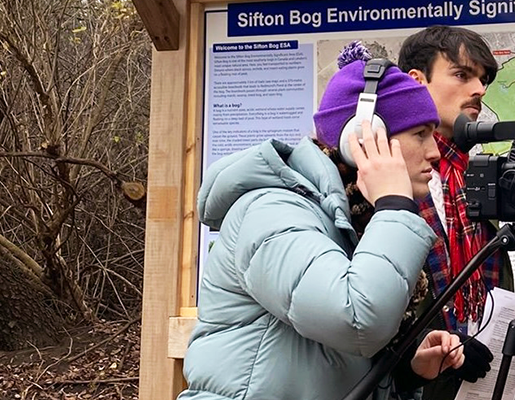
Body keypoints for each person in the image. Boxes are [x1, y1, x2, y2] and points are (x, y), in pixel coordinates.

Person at [178, 42, 490, 400]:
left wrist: (406, 371)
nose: (434, 152)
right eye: (420, 134)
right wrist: (394, 204)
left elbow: (333, 364)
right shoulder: (273, 211)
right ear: (362, 138)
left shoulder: (356, 221)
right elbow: (357, 320)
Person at [397, 25, 513, 400]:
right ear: (416, 81)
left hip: (473, 383)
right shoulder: (387, 173)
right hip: (410, 384)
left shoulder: (471, 175)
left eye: (483, 80)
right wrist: (436, 345)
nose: (479, 89)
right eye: (462, 75)